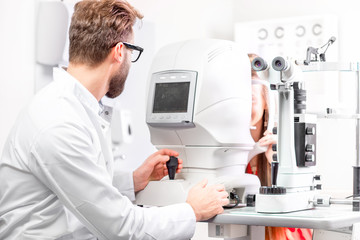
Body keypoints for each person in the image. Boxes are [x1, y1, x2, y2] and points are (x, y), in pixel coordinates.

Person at [0, 1, 229, 239]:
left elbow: (82, 188)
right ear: (119, 51)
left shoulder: (68, 108)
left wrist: (134, 180)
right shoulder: (59, 122)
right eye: (132, 54)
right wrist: (192, 211)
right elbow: (121, 227)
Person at [247, 53, 313, 240]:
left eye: (250, 99)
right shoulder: (220, 154)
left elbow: (300, 228)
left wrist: (282, 168)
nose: (240, 108)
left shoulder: (279, 150)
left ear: (265, 101)